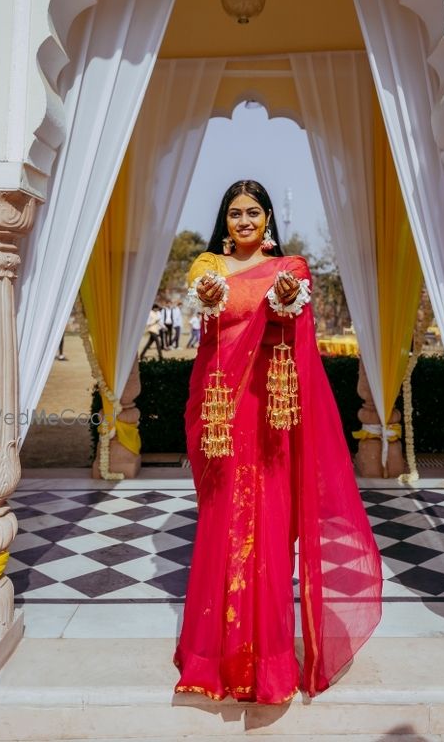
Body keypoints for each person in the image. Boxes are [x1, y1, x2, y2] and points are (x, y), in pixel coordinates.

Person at [173, 180, 382, 704]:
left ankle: (267, 664)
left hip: (269, 414)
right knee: (222, 524)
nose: (244, 221)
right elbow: (208, 306)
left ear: (268, 219)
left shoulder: (292, 272)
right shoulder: (207, 269)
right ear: (224, 221)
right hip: (223, 414)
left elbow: (295, 325)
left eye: (254, 212)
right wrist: (212, 296)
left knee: (267, 525)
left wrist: (288, 304)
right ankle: (214, 657)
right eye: (235, 213)